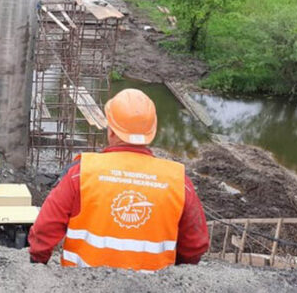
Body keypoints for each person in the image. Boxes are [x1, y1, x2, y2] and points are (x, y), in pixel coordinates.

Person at [28, 89, 209, 271]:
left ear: (112, 131)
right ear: (152, 132)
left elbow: (45, 228)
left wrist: (38, 262)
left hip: (83, 283)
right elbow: (195, 245)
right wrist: (178, 274)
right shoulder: (178, 181)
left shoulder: (81, 173)